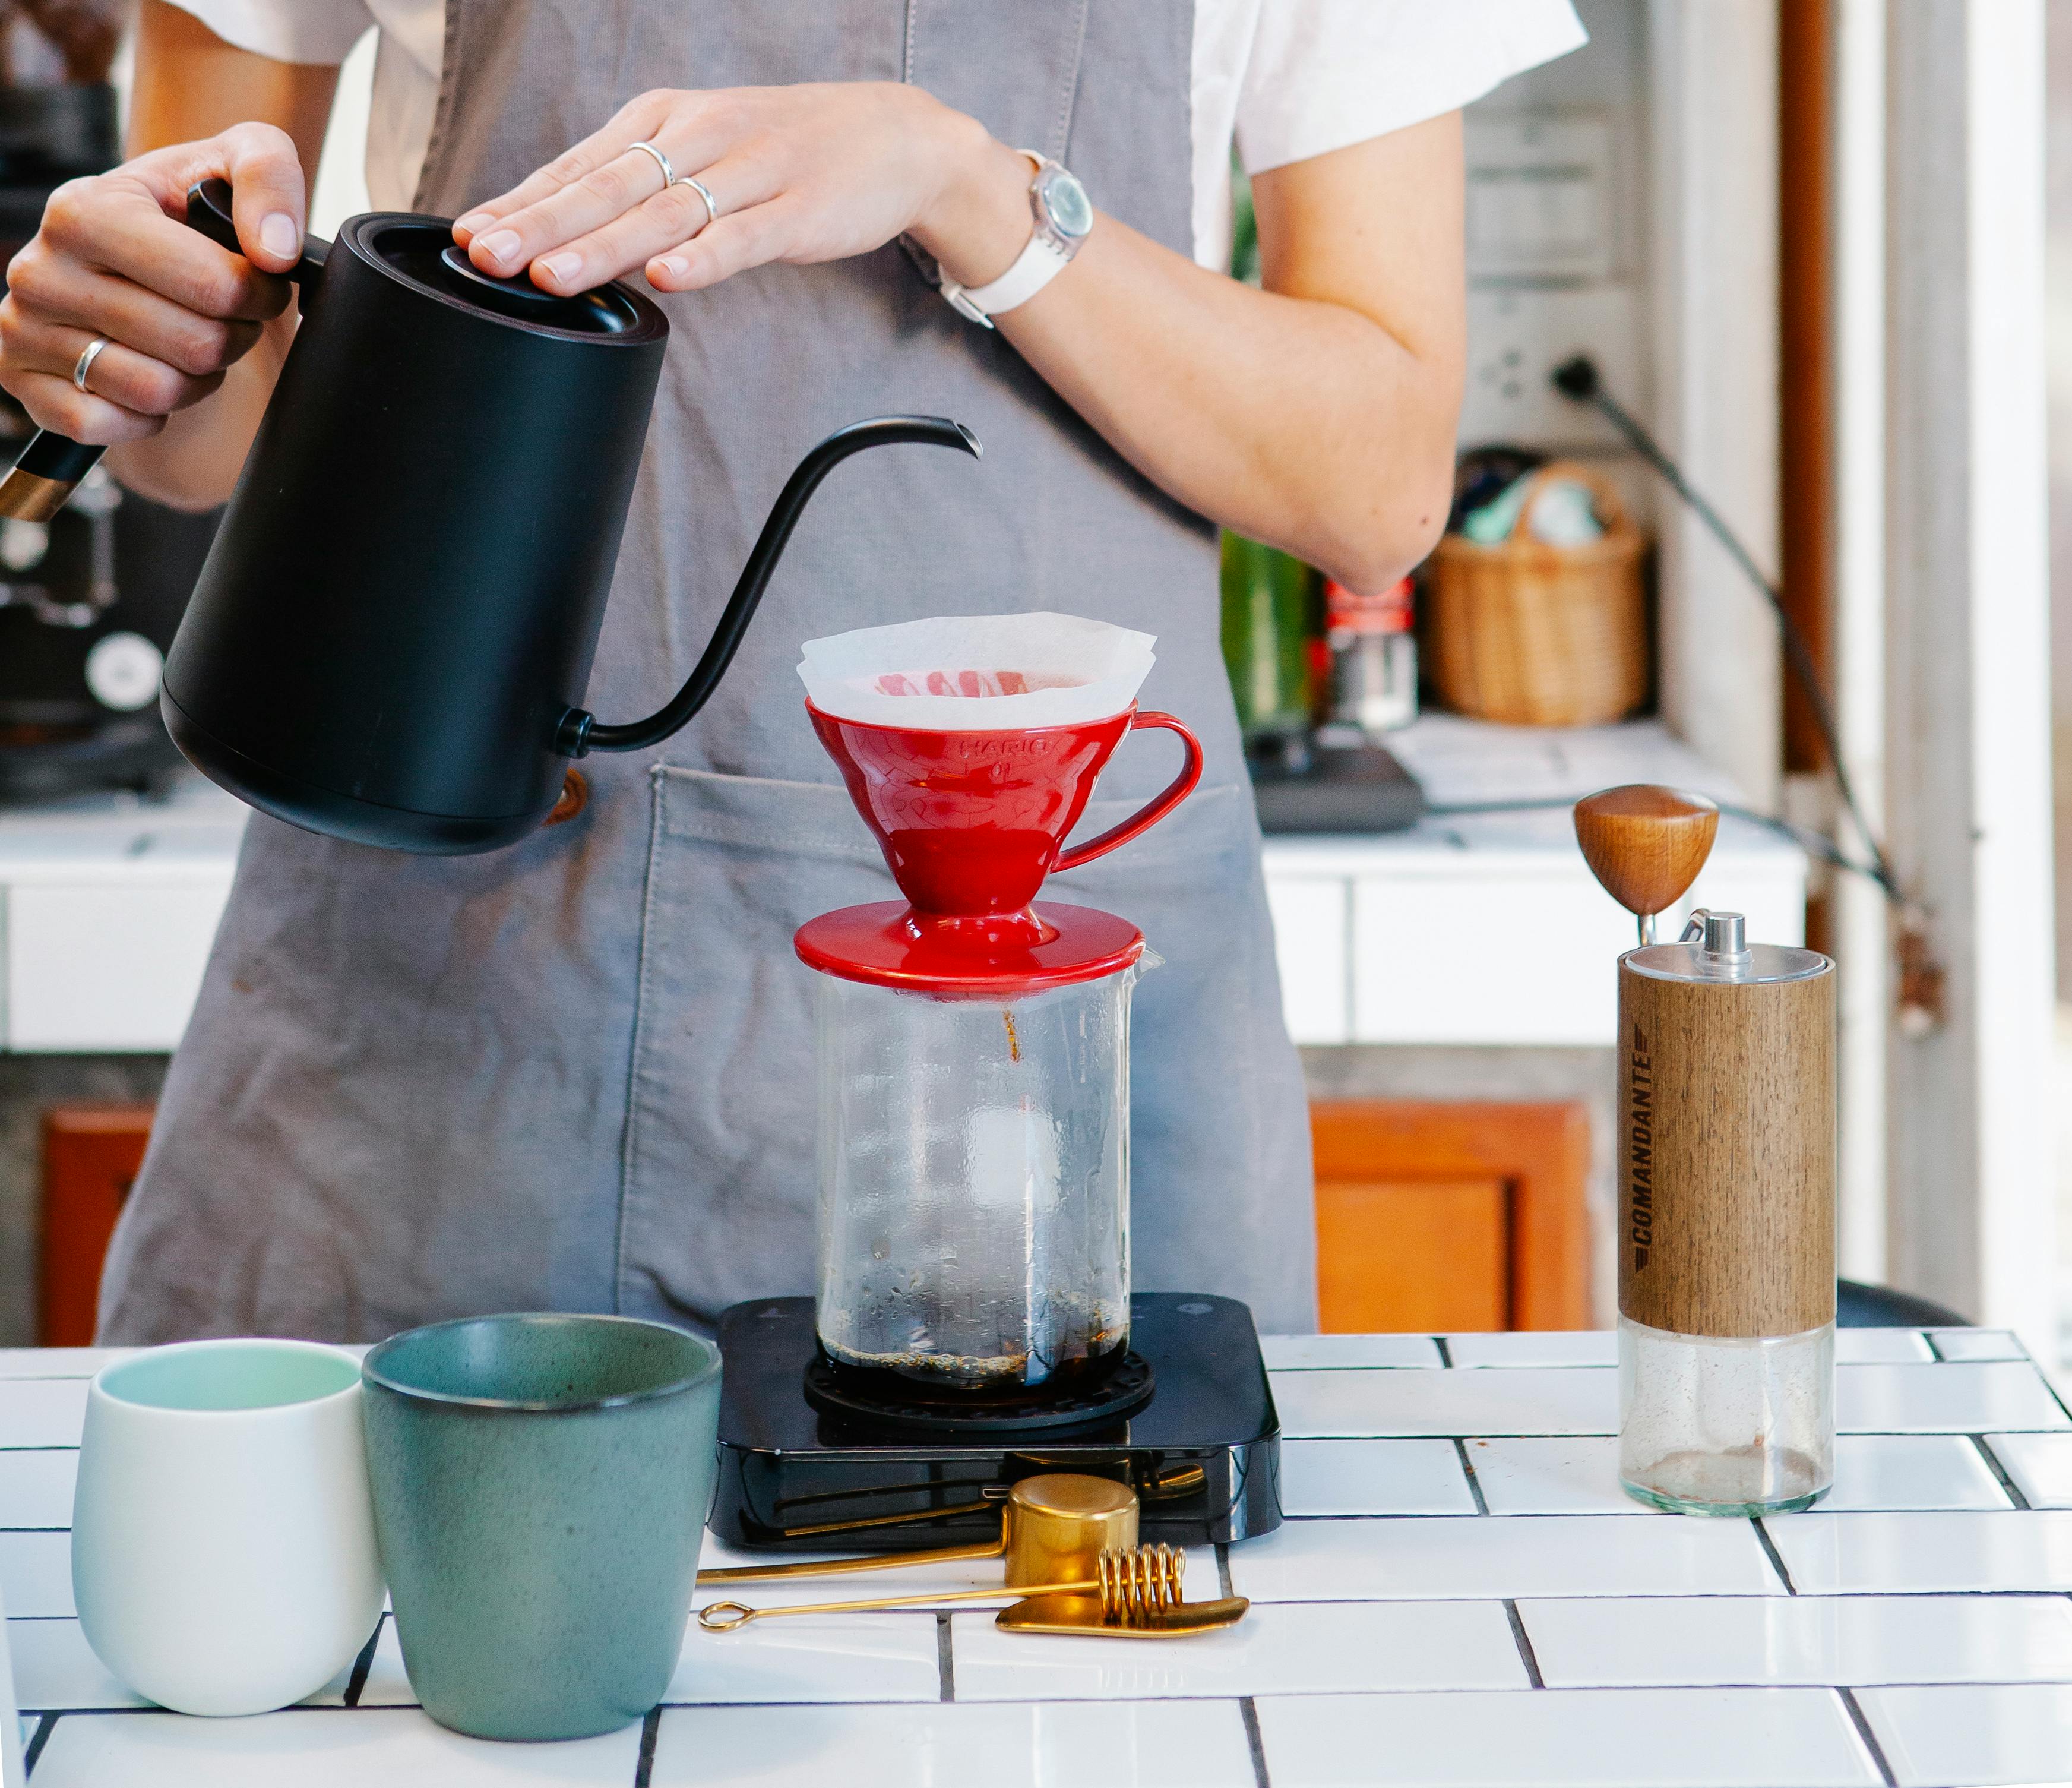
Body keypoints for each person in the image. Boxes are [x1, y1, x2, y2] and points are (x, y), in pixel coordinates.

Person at [1, 0, 1585, 1344]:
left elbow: (1370, 486)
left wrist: (961, 187)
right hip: (454, 993)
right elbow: (192, 445)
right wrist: (141, 323)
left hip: (1031, 1017)